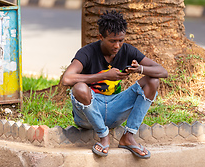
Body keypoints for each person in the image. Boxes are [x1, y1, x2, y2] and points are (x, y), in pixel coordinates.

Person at [61, 10, 168, 159]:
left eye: (121, 40)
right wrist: (105, 75)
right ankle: (104, 137)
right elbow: (66, 79)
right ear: (100, 37)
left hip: (114, 109)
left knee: (153, 79)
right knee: (78, 88)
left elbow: (163, 71)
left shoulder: (127, 50)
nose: (117, 45)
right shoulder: (87, 52)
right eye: (112, 41)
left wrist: (139, 69)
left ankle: (128, 136)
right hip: (88, 114)